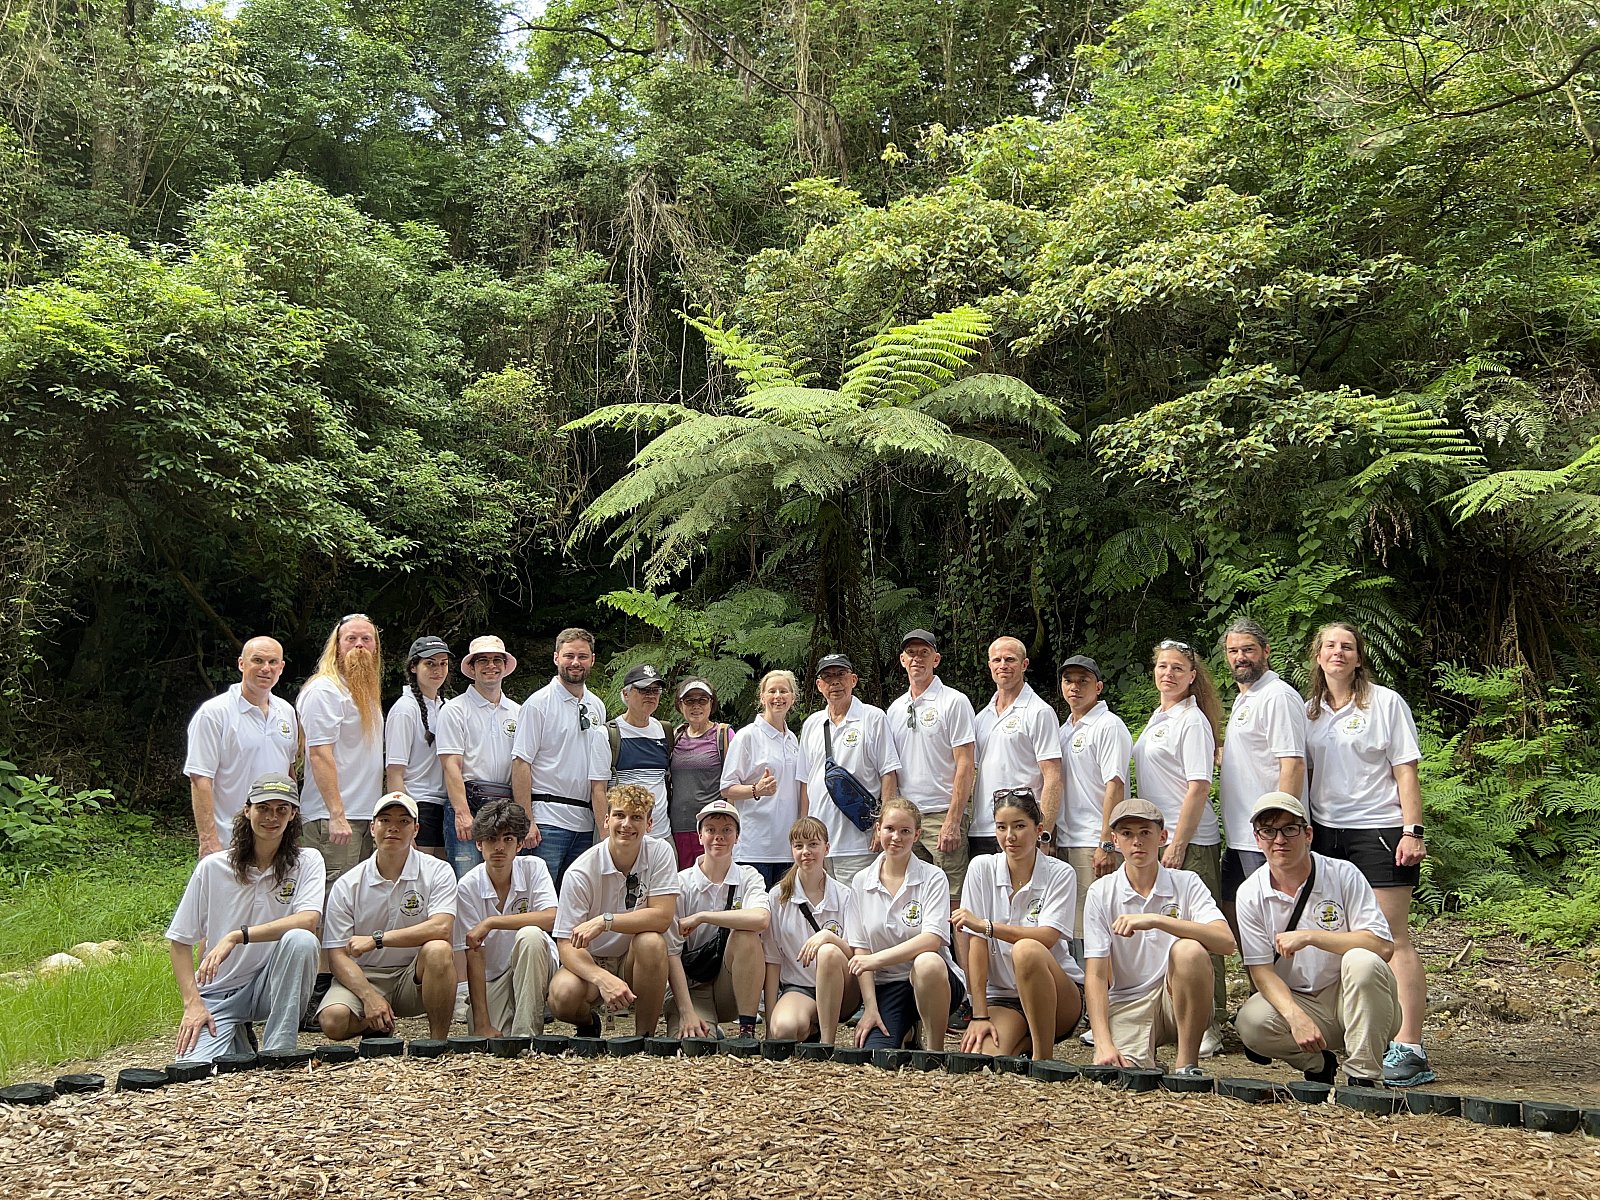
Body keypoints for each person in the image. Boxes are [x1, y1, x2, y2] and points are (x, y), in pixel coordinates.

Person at [1304, 621, 1433, 1087]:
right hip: (1326, 834)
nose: (1338, 653)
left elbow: (1406, 772)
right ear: (1317, 655)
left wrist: (1412, 830)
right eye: (1330, 646)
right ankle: (1359, 1035)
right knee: (1338, 933)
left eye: (1347, 647)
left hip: (1378, 829)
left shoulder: (1385, 702)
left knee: (1390, 937)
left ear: (1359, 657)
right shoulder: (1309, 711)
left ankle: (1410, 1045)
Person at [1234, 791, 1400, 1087]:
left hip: (1350, 997)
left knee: (1362, 961)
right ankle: (1319, 1063)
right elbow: (1261, 970)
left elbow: (1382, 946)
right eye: (1268, 831)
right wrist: (1294, 1015)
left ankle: (1364, 1076)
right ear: (1257, 839)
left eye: (1289, 829)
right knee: (1251, 1022)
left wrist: (1312, 937)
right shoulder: (1249, 893)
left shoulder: (1343, 874)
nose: (1279, 840)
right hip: (1301, 998)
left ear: (1308, 833)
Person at [166, 774, 323, 1062]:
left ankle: (279, 1052)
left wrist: (237, 935)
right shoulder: (213, 867)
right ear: (247, 809)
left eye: (281, 809)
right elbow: (179, 941)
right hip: (220, 992)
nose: (271, 817)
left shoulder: (307, 861)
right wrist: (192, 1003)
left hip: (272, 984)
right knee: (192, 1070)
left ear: (293, 815)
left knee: (302, 941)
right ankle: (238, 1035)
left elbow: (308, 920)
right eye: (263, 808)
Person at [1082, 798, 1235, 1074]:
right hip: (1127, 1001)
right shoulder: (1101, 892)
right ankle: (1145, 1056)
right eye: (1127, 834)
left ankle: (1186, 1065)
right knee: (1124, 1073)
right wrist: (1102, 1042)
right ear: (1115, 840)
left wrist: (1157, 921)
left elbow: (1225, 942)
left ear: (1162, 837)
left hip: (1175, 996)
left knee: (1189, 951)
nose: (1136, 842)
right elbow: (1094, 974)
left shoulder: (1186, 882)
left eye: (1145, 832)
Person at [1131, 637, 1227, 1054]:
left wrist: (1178, 841)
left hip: (1189, 840)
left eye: (1177, 668)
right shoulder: (1160, 715)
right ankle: (1171, 1012)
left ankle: (1210, 1023)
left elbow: (1198, 786)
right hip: (1160, 838)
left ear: (1192, 677)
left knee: (1202, 930)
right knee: (1167, 924)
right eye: (1162, 666)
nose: (1167, 674)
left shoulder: (1193, 721)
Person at [953, 788, 1084, 1060]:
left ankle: (1042, 1058)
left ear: (1038, 830)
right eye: (1001, 827)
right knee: (983, 1057)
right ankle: (1023, 1042)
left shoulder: (1060, 873)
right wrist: (979, 1014)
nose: (1010, 836)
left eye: (1019, 826)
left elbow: (1046, 938)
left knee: (1026, 949)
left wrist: (987, 926)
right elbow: (974, 941)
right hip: (1004, 997)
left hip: (1059, 994)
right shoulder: (981, 868)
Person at [316, 791, 459, 1041]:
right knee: (333, 1020)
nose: (393, 828)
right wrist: (368, 997)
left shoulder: (437, 870)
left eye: (403, 821)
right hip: (365, 974)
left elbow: (442, 928)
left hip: (413, 976)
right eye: (385, 821)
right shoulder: (348, 884)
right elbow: (337, 954)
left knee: (438, 950)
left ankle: (437, 1042)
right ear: (372, 827)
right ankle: (375, 1025)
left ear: (416, 829)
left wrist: (377, 939)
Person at [548, 783, 678, 1037]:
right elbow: (565, 944)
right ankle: (588, 1025)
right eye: (619, 815)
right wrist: (601, 978)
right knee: (562, 996)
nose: (627, 824)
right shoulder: (580, 871)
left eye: (636, 817)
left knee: (651, 942)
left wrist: (605, 921)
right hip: (592, 959)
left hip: (633, 957)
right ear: (606, 820)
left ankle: (644, 1037)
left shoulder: (660, 852)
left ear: (649, 824)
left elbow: (662, 917)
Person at [848, 797, 964, 1051]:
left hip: (936, 981)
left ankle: (935, 1050)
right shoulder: (860, 881)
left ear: (917, 835)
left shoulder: (933, 877)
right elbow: (860, 949)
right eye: (889, 829)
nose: (896, 837)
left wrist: (876, 960)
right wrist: (870, 1009)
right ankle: (910, 1030)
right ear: (878, 830)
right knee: (875, 1054)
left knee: (928, 961)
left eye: (905, 831)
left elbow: (932, 939)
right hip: (888, 985)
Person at [1217, 617, 1306, 927]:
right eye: (1233, 651)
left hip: (1266, 832)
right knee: (1235, 913)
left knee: (1274, 921)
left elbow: (1293, 763)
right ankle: (1258, 976)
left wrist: (1280, 824)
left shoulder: (1277, 696)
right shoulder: (1246, 698)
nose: (1240, 657)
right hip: (1240, 834)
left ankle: (1282, 977)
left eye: (1248, 650)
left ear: (1266, 651)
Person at [511, 628, 610, 891]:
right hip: (547, 821)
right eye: (569, 656)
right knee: (539, 897)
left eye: (582, 656)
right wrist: (527, 821)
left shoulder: (597, 706)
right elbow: (521, 763)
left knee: (576, 898)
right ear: (556, 658)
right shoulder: (538, 704)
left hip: (585, 822)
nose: (575, 662)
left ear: (592, 660)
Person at [665, 799, 771, 1040]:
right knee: (696, 1043)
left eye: (727, 830)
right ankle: (708, 1025)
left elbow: (761, 919)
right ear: (700, 836)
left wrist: (704, 917)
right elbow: (670, 950)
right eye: (711, 830)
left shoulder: (748, 876)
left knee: (745, 933)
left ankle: (746, 1032)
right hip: (691, 986)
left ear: (737, 836)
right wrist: (686, 1011)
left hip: (732, 986)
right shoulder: (680, 883)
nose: (718, 837)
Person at [184, 636, 299, 858]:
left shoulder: (286, 712)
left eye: (273, 662)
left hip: (276, 838)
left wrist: (293, 827)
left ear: (282, 667)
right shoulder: (214, 714)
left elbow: (289, 772)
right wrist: (208, 840)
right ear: (241, 664)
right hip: (228, 839)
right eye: (258, 660)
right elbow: (200, 779)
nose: (266, 669)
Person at [297, 613, 386, 889]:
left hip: (363, 818)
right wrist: (336, 815)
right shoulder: (325, 690)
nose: (359, 645)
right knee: (327, 901)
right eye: (351, 639)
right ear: (336, 647)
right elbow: (319, 754)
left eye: (366, 639)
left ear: (375, 649)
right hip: (333, 821)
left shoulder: (364, 692)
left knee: (353, 903)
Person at [456, 798, 558, 1038]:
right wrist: (482, 1021)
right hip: (495, 975)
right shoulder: (467, 886)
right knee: (486, 1037)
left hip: (540, 963)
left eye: (508, 839)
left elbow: (551, 917)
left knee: (531, 935)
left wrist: (491, 922)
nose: (499, 847)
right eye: (492, 839)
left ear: (520, 844)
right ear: (479, 844)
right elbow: (473, 952)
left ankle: (527, 1037)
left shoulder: (535, 867)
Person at [886, 629, 976, 895]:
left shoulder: (954, 702)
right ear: (902, 660)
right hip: (907, 820)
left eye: (924, 653)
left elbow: (966, 763)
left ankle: (954, 940)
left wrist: (953, 820)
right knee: (913, 896)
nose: (917, 659)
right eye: (911, 653)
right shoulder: (895, 709)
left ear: (936, 659)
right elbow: (890, 770)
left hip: (942, 815)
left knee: (952, 897)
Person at [1056, 654, 1133, 963]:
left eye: (1083, 681)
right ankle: (1084, 1000)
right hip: (1067, 840)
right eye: (1068, 680)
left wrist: (1107, 841)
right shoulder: (1064, 730)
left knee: (1097, 927)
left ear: (1098, 686)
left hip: (1093, 841)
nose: (1075, 687)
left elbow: (1114, 785)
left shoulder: (1108, 726)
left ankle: (1106, 1001)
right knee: (1073, 926)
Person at [798, 653, 901, 884]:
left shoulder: (873, 718)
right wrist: (804, 831)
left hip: (859, 843)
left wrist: (882, 824)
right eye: (828, 676)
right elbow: (805, 782)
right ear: (819, 685)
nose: (835, 682)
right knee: (824, 911)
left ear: (853, 679)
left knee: (857, 912)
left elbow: (888, 773)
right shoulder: (812, 724)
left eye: (841, 675)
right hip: (818, 844)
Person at [762, 816, 860, 1046]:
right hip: (800, 988)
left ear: (827, 848)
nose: (806, 851)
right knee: (784, 1030)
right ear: (792, 851)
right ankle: (810, 1025)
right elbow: (773, 960)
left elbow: (857, 954)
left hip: (844, 988)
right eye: (799, 846)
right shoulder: (777, 897)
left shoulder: (846, 896)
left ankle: (827, 1044)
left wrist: (828, 937)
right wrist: (769, 1027)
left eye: (813, 844)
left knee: (828, 952)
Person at [436, 636, 521, 878]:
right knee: (467, 879)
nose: (490, 666)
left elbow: (523, 766)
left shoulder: (519, 712)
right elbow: (451, 764)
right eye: (482, 660)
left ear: (505, 666)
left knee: (505, 879)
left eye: (496, 660)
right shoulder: (454, 709)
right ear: (471, 668)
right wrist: (462, 813)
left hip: (506, 806)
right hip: (469, 805)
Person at [971, 637, 1062, 859]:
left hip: (1023, 829)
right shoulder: (981, 717)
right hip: (982, 828)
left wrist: (1044, 832)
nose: (1003, 665)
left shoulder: (1039, 712)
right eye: (997, 659)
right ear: (990, 665)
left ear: (1024, 664)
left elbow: (1053, 776)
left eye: (1010, 659)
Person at [719, 669, 803, 886]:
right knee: (756, 914)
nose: (778, 696)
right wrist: (756, 789)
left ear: (792, 698)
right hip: (755, 848)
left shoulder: (792, 739)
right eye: (772, 691)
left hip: (787, 847)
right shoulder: (747, 736)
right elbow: (726, 788)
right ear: (762, 697)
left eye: (784, 691)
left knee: (783, 915)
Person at [384, 636, 452, 860]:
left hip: (444, 805)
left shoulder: (447, 708)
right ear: (414, 667)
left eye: (443, 663)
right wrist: (403, 818)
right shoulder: (404, 709)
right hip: (417, 804)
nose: (438, 670)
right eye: (429, 663)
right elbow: (394, 771)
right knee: (416, 882)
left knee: (440, 881)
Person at [666, 678, 733, 868]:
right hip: (679, 825)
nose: (696, 706)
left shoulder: (724, 735)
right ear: (680, 705)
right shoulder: (676, 735)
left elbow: (735, 781)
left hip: (713, 826)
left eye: (702, 700)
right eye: (689, 701)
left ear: (712, 704)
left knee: (714, 881)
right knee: (685, 884)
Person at [608, 664, 671, 842]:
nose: (651, 695)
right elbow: (597, 789)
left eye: (655, 690)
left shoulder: (663, 730)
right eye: (643, 690)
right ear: (626, 694)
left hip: (661, 834)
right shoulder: (608, 734)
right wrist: (607, 837)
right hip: (623, 834)